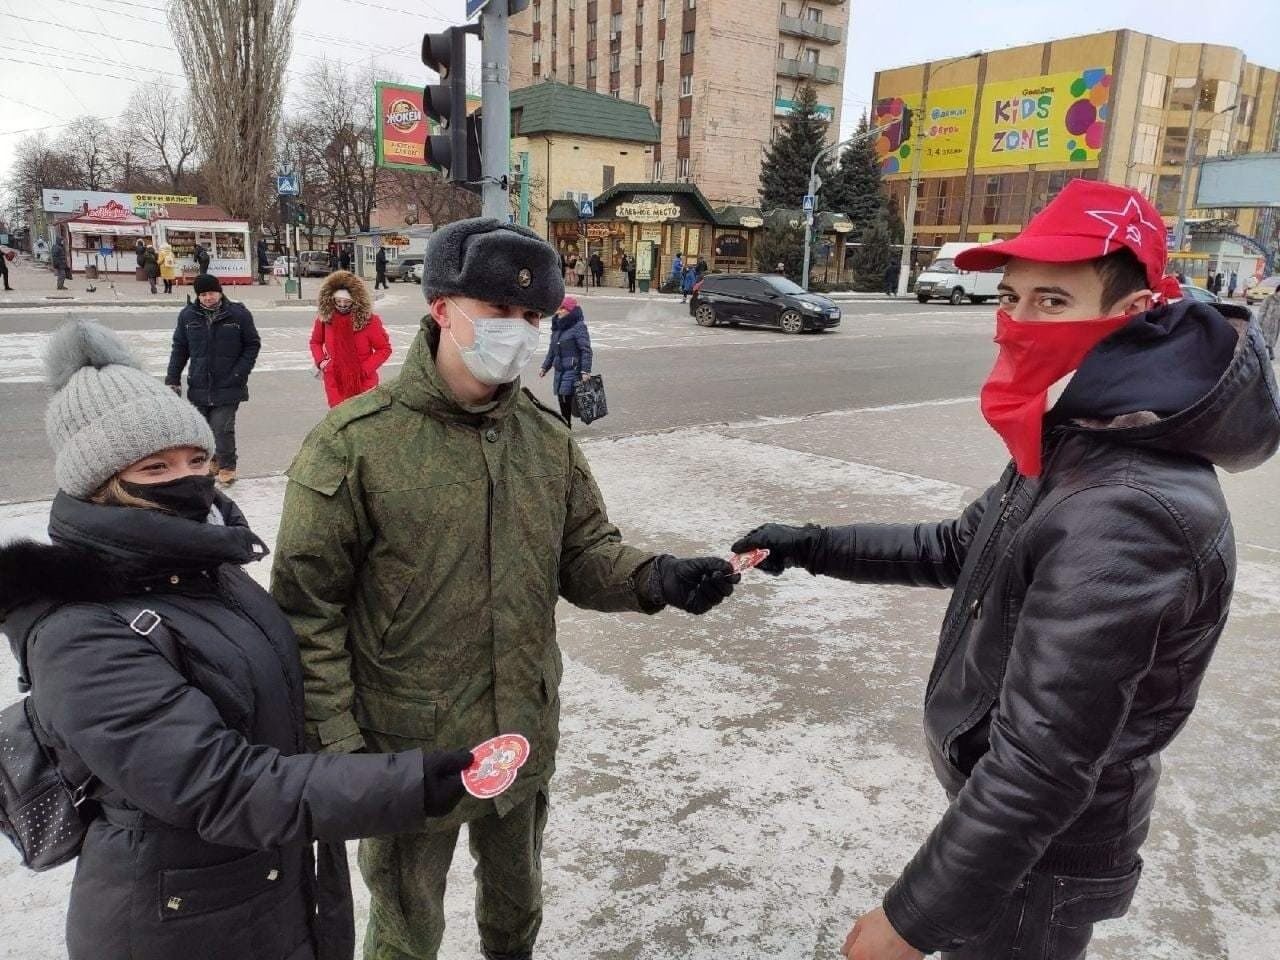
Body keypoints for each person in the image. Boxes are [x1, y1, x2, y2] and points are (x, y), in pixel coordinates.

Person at [734, 179, 1279, 960]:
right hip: (1016, 840)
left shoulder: (1125, 507)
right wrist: (813, 544)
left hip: (1039, 861)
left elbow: (1043, 764)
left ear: (1129, 316)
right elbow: (961, 548)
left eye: (1052, 302)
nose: (1017, 324)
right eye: (1012, 297)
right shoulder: (1084, 434)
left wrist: (907, 923)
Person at [270, 218, 739, 960]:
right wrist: (343, 751)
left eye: (533, 317)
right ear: (442, 310)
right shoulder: (357, 444)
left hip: (519, 729)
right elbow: (307, 612)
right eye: (499, 313)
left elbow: (585, 556)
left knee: (516, 912)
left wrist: (658, 578)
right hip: (406, 749)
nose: (519, 333)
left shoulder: (545, 441)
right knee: (405, 927)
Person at [0, 319, 474, 960]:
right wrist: (403, 785)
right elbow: (219, 785)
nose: (189, 480)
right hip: (176, 920)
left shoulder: (205, 571)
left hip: (265, 886)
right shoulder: (79, 632)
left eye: (197, 459)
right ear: (103, 484)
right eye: (157, 466)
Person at [165, 274, 261, 486]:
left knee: (221, 428)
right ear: (198, 295)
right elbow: (180, 348)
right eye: (203, 294)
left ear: (219, 292)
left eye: (211, 293)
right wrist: (173, 378)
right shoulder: (187, 316)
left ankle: (228, 466)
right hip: (199, 383)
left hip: (229, 383)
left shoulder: (238, 314)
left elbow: (252, 344)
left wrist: (240, 372)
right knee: (204, 429)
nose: (208, 297)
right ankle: (214, 462)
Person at [310, 270, 393, 408]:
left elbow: (384, 349)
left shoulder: (370, 321)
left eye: (347, 301)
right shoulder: (325, 319)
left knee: (362, 424)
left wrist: (364, 370)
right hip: (335, 383)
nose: (342, 305)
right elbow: (315, 342)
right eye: (338, 301)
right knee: (340, 422)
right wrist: (321, 361)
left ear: (356, 300)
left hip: (364, 383)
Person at [540, 295, 593, 428]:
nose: (559, 311)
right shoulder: (557, 328)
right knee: (562, 398)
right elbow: (552, 351)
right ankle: (566, 425)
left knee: (566, 397)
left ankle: (566, 426)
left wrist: (585, 370)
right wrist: (544, 367)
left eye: (563, 308)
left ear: (570, 310)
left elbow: (586, 350)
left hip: (573, 370)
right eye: (558, 308)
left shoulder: (578, 327)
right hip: (560, 371)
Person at [1258, 288, 1280, 360]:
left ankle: (1270, 353)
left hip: (1276, 324)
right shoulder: (1269, 298)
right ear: (1278, 290)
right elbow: (1262, 311)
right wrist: (1259, 322)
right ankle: (1265, 354)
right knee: (1263, 339)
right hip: (1266, 323)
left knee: (1271, 340)